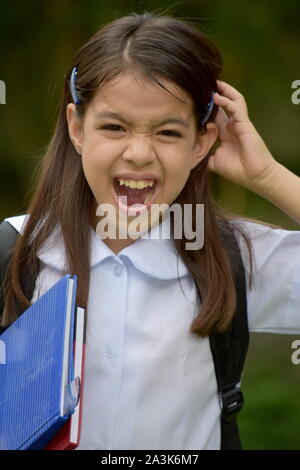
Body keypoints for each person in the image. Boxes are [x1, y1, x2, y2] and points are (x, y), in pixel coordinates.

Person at [1, 12, 300, 450]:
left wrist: (269, 176)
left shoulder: (231, 257)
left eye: (167, 132)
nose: (139, 152)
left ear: (200, 142)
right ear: (77, 127)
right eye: (114, 127)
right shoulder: (15, 252)